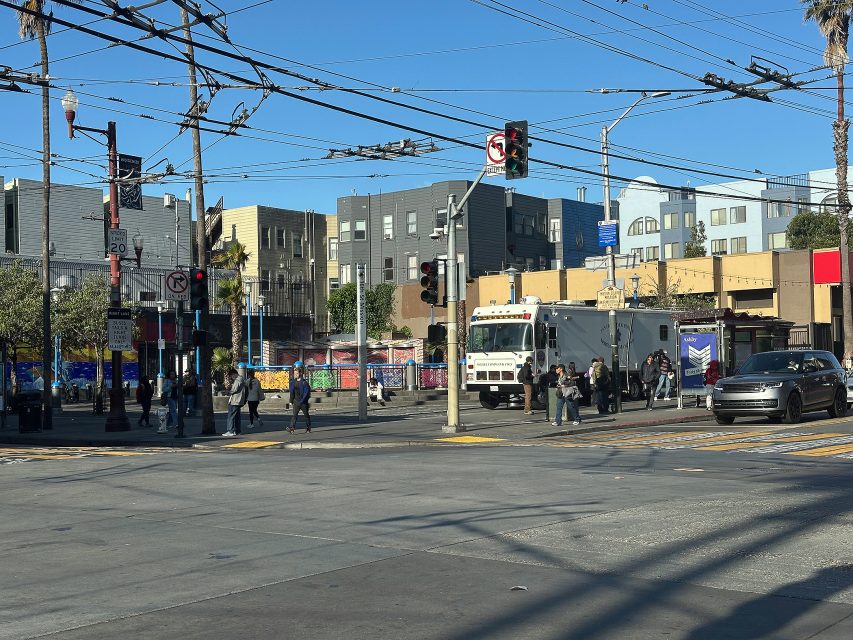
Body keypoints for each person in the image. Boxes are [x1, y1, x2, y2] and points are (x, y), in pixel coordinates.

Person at [223, 368, 247, 437]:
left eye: (231, 376)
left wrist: (227, 392)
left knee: (231, 416)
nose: (231, 378)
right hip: (239, 400)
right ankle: (237, 430)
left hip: (235, 400)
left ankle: (230, 430)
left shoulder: (238, 380)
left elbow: (234, 390)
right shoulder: (242, 379)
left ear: (234, 374)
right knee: (237, 416)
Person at [288, 367, 312, 433]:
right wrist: (291, 401)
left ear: (300, 373)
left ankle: (308, 427)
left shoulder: (304, 383)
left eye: (297, 373)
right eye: (294, 373)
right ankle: (291, 428)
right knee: (294, 415)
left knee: (306, 415)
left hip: (303, 402)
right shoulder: (293, 382)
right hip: (296, 401)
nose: (295, 375)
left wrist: (301, 401)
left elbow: (306, 393)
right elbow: (292, 392)